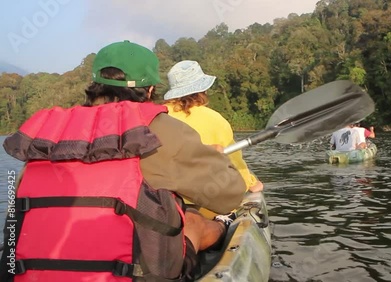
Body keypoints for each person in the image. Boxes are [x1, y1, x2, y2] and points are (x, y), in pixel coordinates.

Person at [0, 40, 246, 282]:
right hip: (132, 276)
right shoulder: (159, 130)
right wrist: (213, 156)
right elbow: (230, 195)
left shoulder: (49, 137)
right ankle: (224, 228)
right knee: (192, 220)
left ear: (95, 84)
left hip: (29, 275)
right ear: (149, 90)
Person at [163, 60, 263, 219]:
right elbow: (234, 162)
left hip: (165, 201)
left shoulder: (158, 116)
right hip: (205, 200)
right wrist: (251, 183)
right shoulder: (215, 120)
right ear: (203, 90)